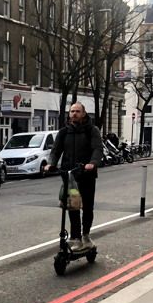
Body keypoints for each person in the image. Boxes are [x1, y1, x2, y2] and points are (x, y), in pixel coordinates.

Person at [44, 102, 103, 251]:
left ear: (83, 113)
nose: (74, 114)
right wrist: (51, 164)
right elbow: (55, 151)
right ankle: (76, 238)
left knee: (87, 207)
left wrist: (93, 163)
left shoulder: (92, 130)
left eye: (77, 111)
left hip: (87, 175)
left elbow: (97, 149)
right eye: (72, 111)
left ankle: (86, 236)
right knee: (73, 207)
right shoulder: (64, 132)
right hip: (70, 176)